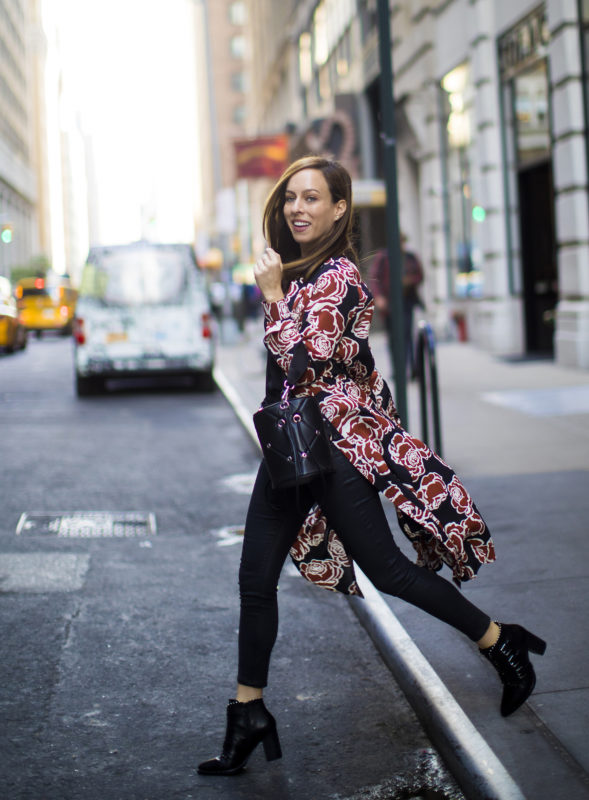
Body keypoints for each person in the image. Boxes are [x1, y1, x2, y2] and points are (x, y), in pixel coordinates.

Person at [197, 157, 546, 776]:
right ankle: (248, 712)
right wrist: (280, 291)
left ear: (339, 210)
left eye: (312, 199)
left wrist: (273, 297)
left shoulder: (338, 278)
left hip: (333, 449)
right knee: (255, 579)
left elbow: (304, 363)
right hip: (292, 447)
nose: (297, 209)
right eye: (290, 199)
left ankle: (500, 640)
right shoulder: (301, 274)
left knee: (388, 571)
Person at [369, 235, 424, 376]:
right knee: (393, 338)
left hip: (406, 301)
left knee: (407, 335)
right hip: (390, 303)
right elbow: (375, 278)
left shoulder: (410, 257)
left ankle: (411, 368)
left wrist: (410, 280)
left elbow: (420, 275)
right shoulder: (383, 257)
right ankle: (397, 369)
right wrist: (379, 297)